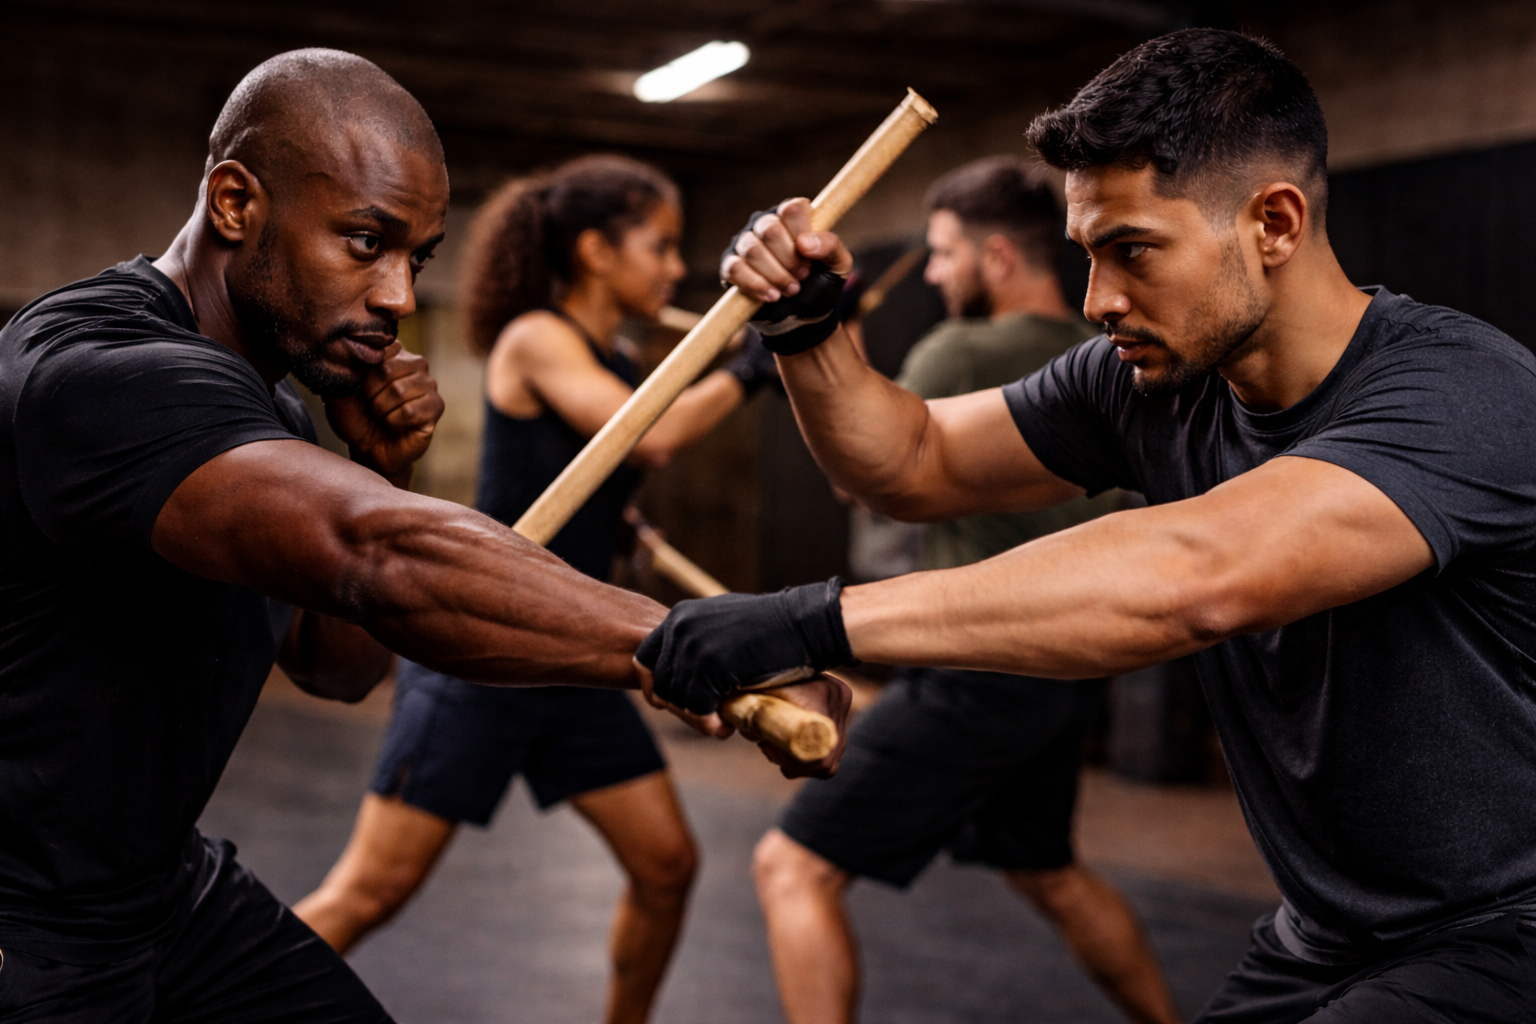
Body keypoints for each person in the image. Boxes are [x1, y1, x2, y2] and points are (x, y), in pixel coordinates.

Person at [638, 28, 1536, 1024]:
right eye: (1088, 255)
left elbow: (1199, 571)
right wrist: (808, 327)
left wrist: (814, 621)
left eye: (1134, 251)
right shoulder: (1146, 383)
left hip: (1508, 932)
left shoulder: (1461, 393)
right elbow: (912, 460)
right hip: (1328, 934)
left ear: (1273, 223)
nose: (1100, 300)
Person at [0, 49, 839, 1022]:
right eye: (366, 242)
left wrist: (380, 464)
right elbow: (379, 555)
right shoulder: (109, 372)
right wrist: (690, 645)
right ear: (235, 203)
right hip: (26, 917)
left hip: (149, 888)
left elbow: (337, 664)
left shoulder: (268, 392)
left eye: (417, 257)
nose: (399, 296)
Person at [293, 155, 778, 1024]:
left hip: (571, 658)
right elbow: (648, 437)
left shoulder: (617, 353)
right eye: (661, 247)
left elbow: (591, 465)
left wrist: (616, 525)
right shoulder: (537, 337)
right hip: (481, 649)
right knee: (369, 892)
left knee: (666, 865)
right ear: (595, 251)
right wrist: (753, 365)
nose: (676, 268)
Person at [752, 156, 1178, 1024]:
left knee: (790, 866)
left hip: (979, 672)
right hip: (1067, 671)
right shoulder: (1105, 358)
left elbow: (868, 473)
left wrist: (824, 336)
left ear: (998, 258)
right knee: (1049, 873)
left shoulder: (961, 351)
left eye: (946, 254)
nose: (937, 274)